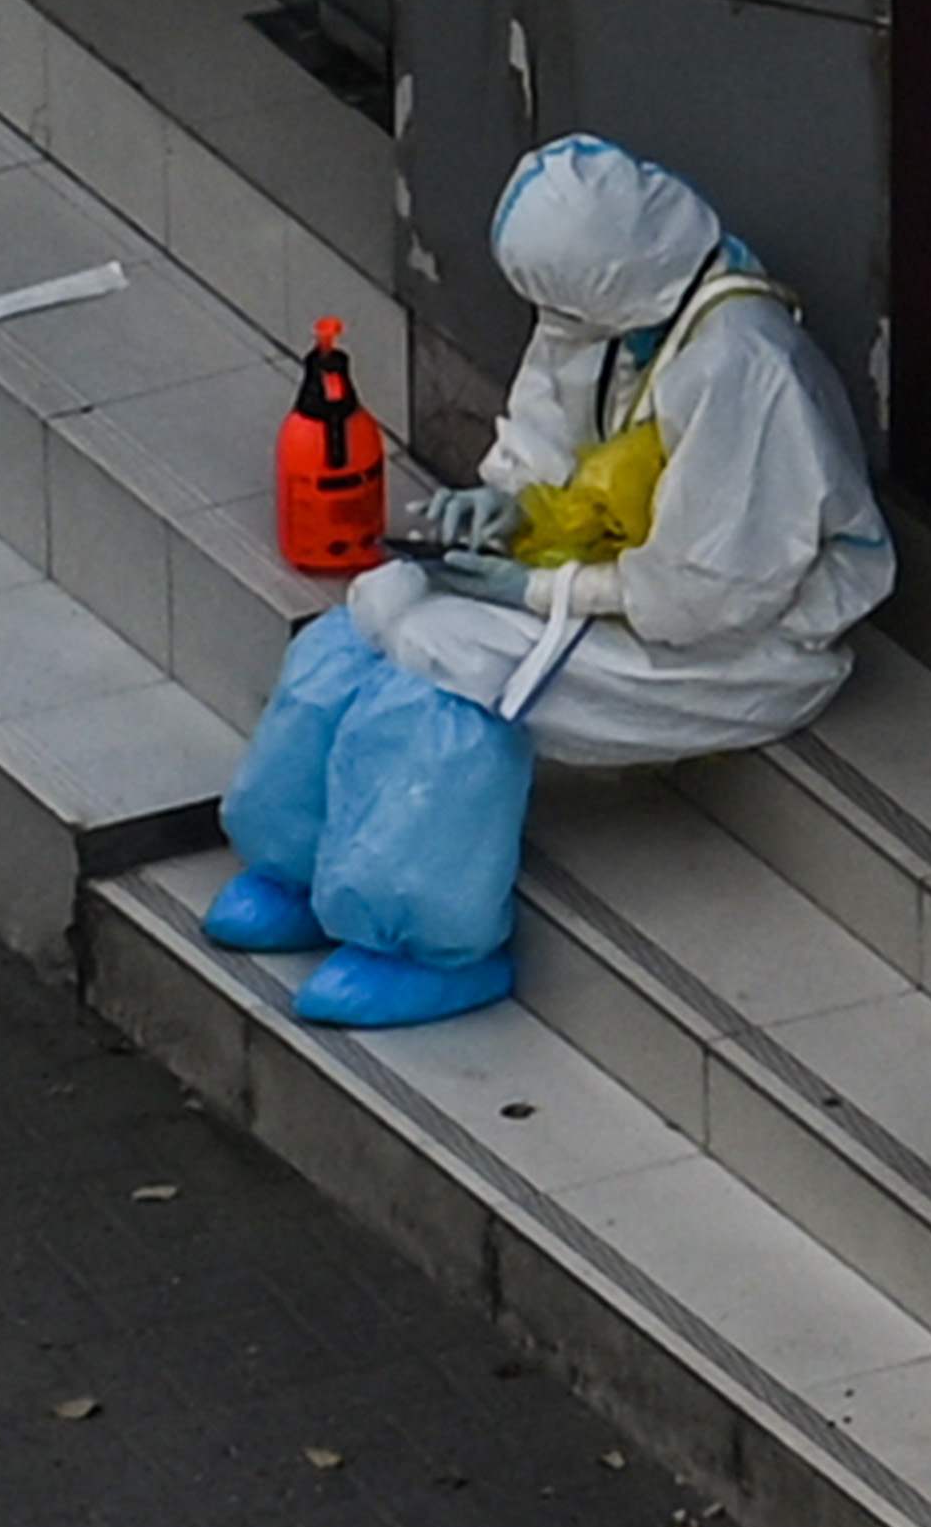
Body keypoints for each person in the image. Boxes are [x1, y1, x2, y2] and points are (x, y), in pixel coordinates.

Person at [206, 137, 893, 1030]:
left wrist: (539, 594)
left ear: (608, 275)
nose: (551, 320)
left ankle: (428, 943)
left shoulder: (741, 367)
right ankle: (293, 860)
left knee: (451, 677)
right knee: (365, 621)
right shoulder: (613, 308)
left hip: (745, 644)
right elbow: (550, 427)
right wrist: (507, 506)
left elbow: (705, 596)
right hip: (618, 580)